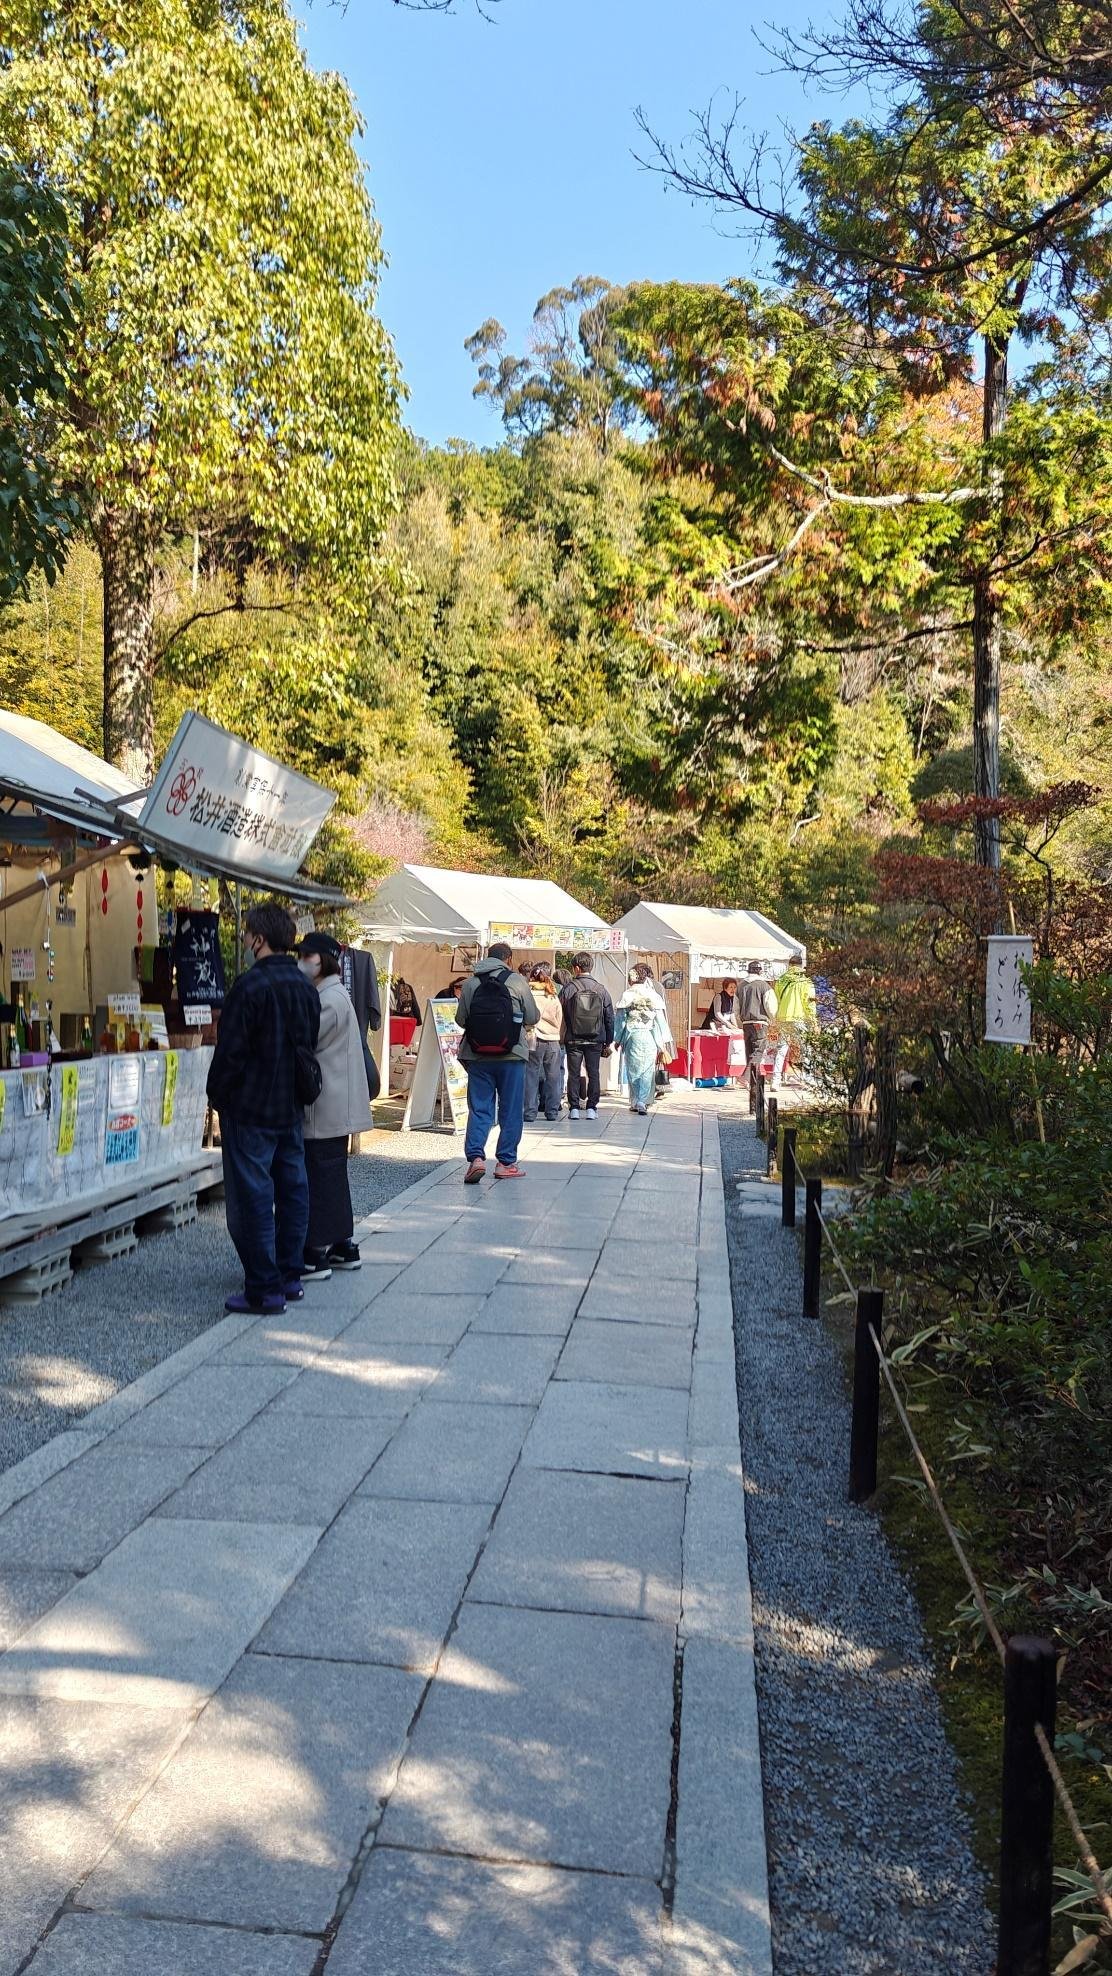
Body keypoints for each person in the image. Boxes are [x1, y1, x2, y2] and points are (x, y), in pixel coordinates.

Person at [206, 899, 320, 1315]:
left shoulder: (249, 986)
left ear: (258, 938)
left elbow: (230, 1053)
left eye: (247, 933)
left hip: (251, 1107)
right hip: (290, 1106)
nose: (244, 939)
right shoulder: (306, 988)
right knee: (293, 1190)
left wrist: (217, 1096)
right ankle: (290, 1275)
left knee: (252, 1196)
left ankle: (263, 1286)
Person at [297, 932, 374, 1277]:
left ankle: (314, 1251)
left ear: (321, 960)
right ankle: (343, 1244)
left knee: (320, 1176)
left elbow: (305, 1041)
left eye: (306, 956)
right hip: (334, 1104)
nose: (302, 961)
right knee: (332, 1175)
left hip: (324, 1105)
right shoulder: (333, 994)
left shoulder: (327, 999)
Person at [456, 943, 539, 1183]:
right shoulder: (517, 982)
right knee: (511, 1109)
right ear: (509, 959)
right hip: (512, 1055)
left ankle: (476, 1159)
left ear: (487, 957)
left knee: (480, 1108)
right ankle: (505, 1162)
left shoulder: (471, 983)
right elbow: (532, 1017)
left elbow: (461, 1019)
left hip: (477, 1055)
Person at [559, 952, 615, 1120]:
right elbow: (610, 1018)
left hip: (573, 1038)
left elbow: (559, 1013)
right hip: (596, 1038)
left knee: (573, 1073)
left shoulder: (568, 989)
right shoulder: (601, 989)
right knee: (594, 1073)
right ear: (591, 967)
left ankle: (574, 1108)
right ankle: (592, 1108)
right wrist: (608, 1041)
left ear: (576, 968)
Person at [615, 969, 673, 1115]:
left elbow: (621, 1020)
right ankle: (643, 1100)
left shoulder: (627, 995)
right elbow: (660, 1021)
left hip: (632, 1035)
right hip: (650, 1036)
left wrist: (617, 1039)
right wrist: (663, 1044)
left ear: (631, 979)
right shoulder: (653, 995)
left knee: (633, 1070)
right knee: (647, 1070)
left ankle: (635, 1101)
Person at [524, 963, 563, 1122]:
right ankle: (552, 1111)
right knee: (553, 1077)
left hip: (533, 1038)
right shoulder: (553, 995)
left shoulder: (529, 995)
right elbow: (559, 1019)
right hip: (553, 1040)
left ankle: (529, 1112)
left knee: (530, 1075)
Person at [772, 952, 818, 1088]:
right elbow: (810, 1003)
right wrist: (813, 1020)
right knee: (806, 1048)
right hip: (800, 1018)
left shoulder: (781, 980)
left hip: (783, 1017)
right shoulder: (806, 981)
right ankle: (807, 1080)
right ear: (801, 966)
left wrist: (776, 1018)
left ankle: (775, 1081)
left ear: (789, 965)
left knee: (781, 1049)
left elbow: (776, 1001)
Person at [738, 961, 777, 1069]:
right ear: (760, 971)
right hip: (760, 1022)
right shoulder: (764, 986)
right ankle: (745, 1077)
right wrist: (773, 1020)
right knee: (757, 1052)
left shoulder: (740, 986)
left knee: (749, 1052)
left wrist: (739, 1021)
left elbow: (735, 1007)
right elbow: (770, 1007)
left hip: (746, 1023)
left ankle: (752, 1084)